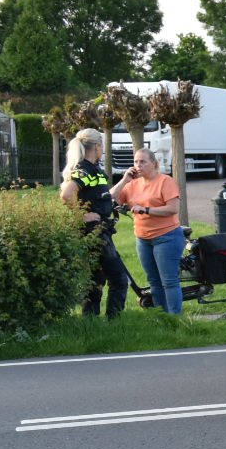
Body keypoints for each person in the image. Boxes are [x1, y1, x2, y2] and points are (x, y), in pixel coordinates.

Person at [58, 127, 130, 317]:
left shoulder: (94, 170)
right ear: (97, 147)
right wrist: (81, 216)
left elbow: (105, 196)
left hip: (101, 232)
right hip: (94, 233)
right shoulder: (83, 169)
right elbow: (66, 194)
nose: (103, 150)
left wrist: (125, 180)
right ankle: (114, 322)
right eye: (102, 146)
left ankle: (90, 320)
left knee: (95, 279)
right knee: (119, 278)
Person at [111, 148, 184, 314]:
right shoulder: (132, 185)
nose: (138, 165)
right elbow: (111, 197)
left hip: (167, 237)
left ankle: (176, 319)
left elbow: (173, 208)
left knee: (169, 281)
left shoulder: (165, 181)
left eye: (143, 162)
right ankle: (161, 317)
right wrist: (124, 180)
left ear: (154, 163)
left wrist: (146, 210)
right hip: (143, 239)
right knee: (154, 281)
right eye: (136, 162)